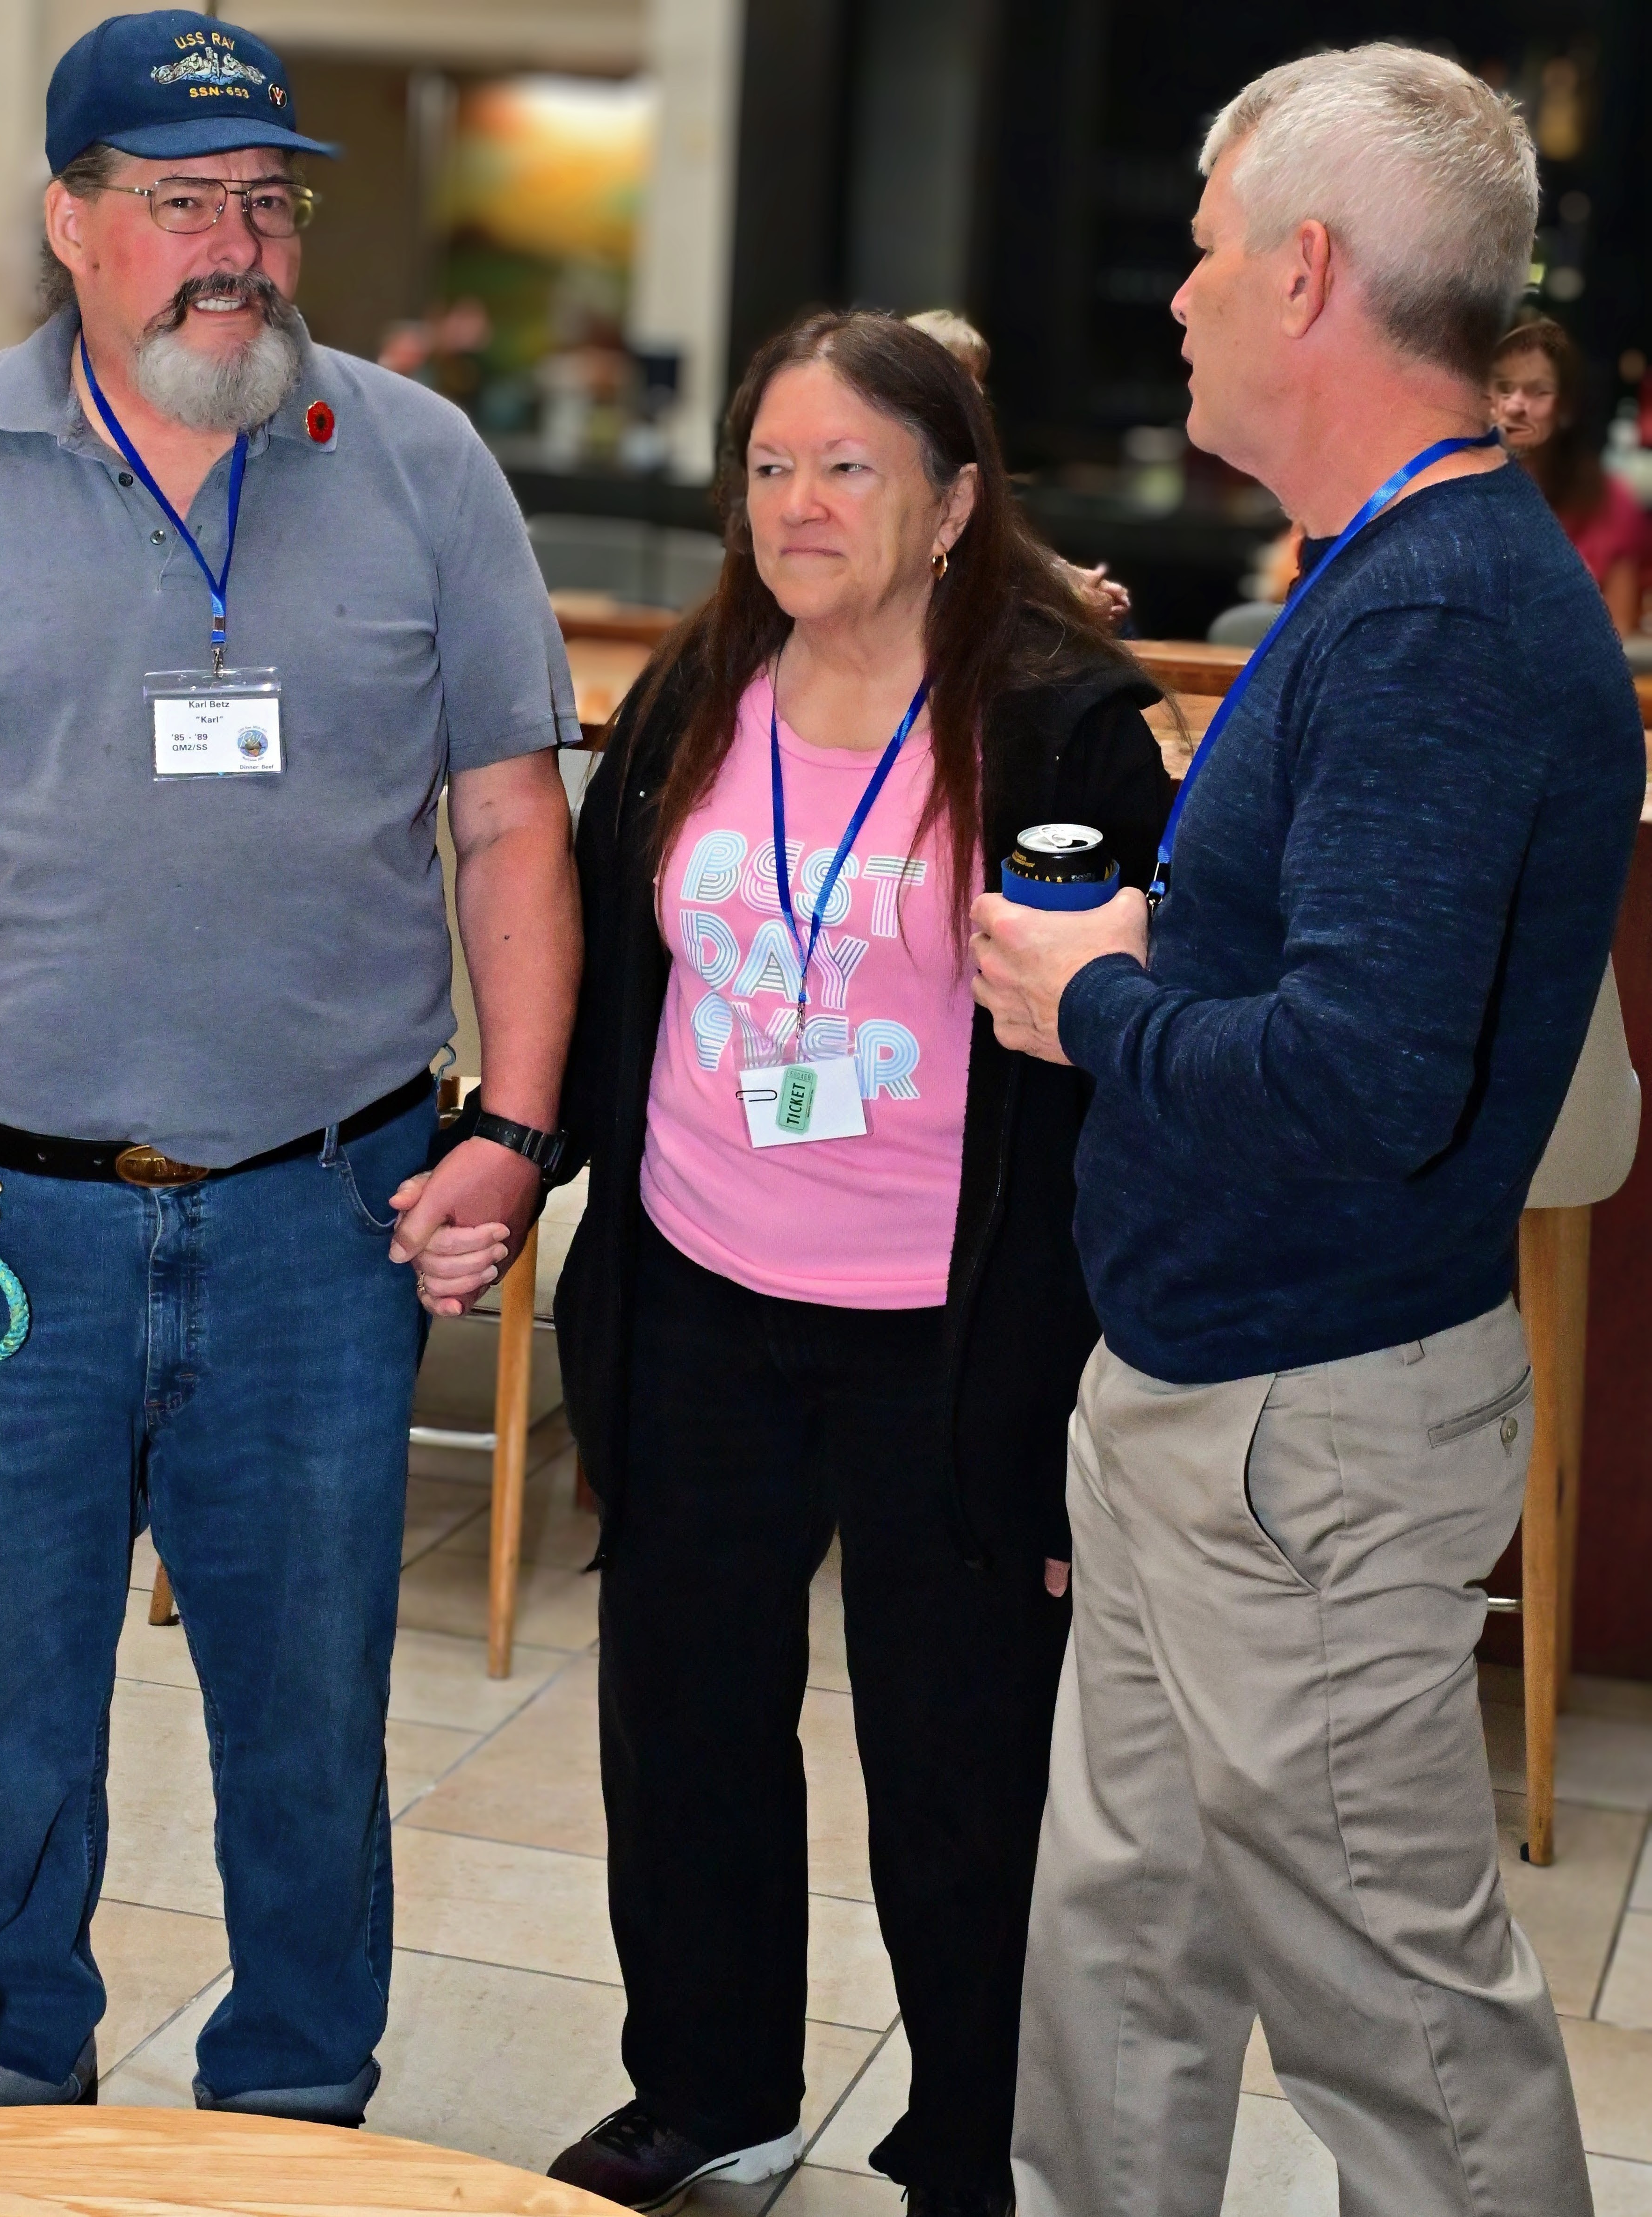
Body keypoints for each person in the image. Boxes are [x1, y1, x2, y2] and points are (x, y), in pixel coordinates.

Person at [0, 9, 580, 2119]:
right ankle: (2, 2075)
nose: (238, 247)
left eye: (266, 202)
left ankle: (296, 2106)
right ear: (70, 221)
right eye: (182, 201)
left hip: (323, 1212)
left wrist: (512, 1123)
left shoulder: (418, 462)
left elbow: (508, 817)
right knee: (1, 1709)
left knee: (306, 1711)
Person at [970, 45, 1643, 2217]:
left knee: (1402, 2036)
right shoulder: (1387, 568)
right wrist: (1173, 939)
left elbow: (1366, 1084)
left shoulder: (1439, 610)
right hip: (1212, 1394)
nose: (1176, 295)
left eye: (1203, 249)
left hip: (1305, 1428)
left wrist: (1097, 999)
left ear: (1307, 270)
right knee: (1122, 1957)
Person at [505, 309, 1167, 2217]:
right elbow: (616, 968)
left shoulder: (1059, 723)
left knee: (961, 1765)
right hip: (699, 1291)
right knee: (685, 1721)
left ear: (953, 503)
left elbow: (1124, 1077)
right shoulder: (698, 687)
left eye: (848, 468)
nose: (798, 505)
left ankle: (972, 2141)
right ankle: (706, 2086)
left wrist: (1085, 1377)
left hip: (951, 1336)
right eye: (772, 468)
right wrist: (521, 1163)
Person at [908, 309, 1133, 633]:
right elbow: (948, 585)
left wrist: (1069, 579)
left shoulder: (973, 470)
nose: (978, 397)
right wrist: (1065, 599)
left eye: (979, 381)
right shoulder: (912, 471)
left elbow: (1008, 558)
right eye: (962, 378)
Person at [1492, 315, 1645, 635]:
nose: (1516, 406)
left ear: (1566, 407)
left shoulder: (1611, 505)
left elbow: (1621, 641)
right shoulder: (1458, 495)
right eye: (1504, 388)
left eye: (1537, 391)